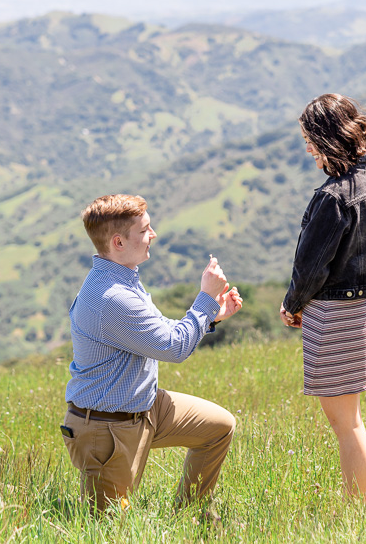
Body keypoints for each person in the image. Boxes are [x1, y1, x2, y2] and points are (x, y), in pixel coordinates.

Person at [62, 193, 244, 513]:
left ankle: (189, 517)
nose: (153, 235)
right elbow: (172, 348)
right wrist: (205, 297)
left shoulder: (123, 278)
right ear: (118, 242)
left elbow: (161, 331)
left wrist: (210, 314)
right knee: (109, 529)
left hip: (144, 406)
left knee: (219, 428)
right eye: (145, 230)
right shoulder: (113, 297)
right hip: (108, 427)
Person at [279, 93, 366, 501]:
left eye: (310, 139)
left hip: (332, 313)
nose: (307, 147)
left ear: (327, 138)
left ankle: (355, 508)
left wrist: (292, 305)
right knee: (351, 418)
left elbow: (311, 267)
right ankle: (357, 503)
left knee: (344, 422)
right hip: (360, 308)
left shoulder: (332, 197)